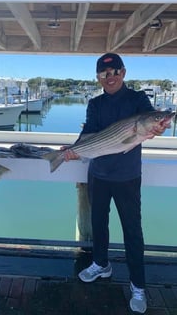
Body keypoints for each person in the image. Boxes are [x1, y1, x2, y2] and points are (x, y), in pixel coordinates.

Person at [64, 53, 170, 314]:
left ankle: (138, 285)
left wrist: (159, 126)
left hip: (127, 177)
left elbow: (152, 123)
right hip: (98, 174)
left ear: (123, 72)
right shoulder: (95, 103)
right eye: (104, 74)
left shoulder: (137, 99)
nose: (109, 78)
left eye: (114, 73)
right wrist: (74, 149)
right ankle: (101, 264)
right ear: (99, 77)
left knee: (133, 232)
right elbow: (88, 130)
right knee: (99, 224)